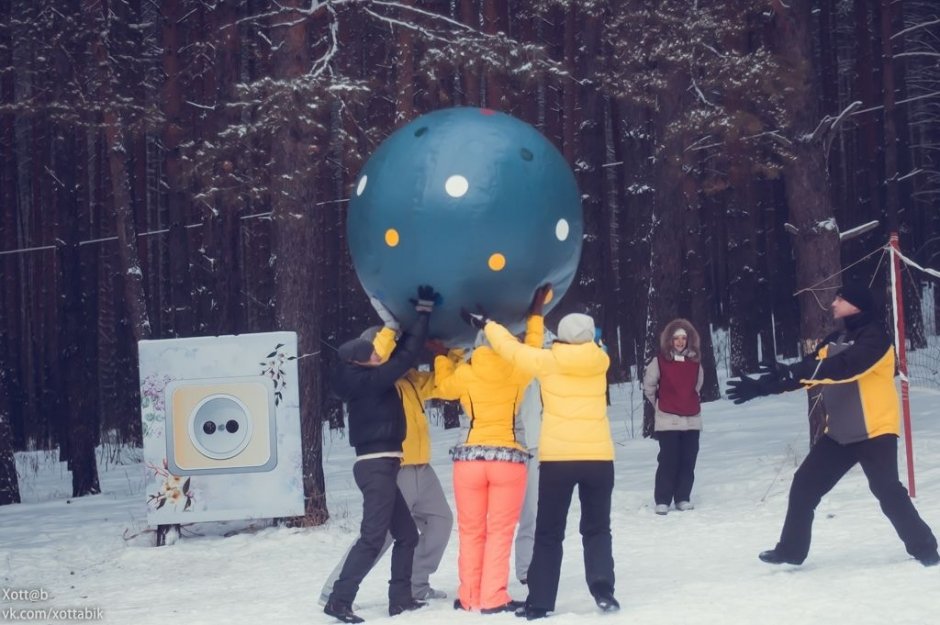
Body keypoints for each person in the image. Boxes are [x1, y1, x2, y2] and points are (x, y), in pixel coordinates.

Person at [727, 281, 939, 568]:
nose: (834, 303)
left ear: (857, 305)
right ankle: (791, 550)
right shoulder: (835, 339)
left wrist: (795, 369)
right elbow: (808, 372)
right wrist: (763, 387)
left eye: (840, 298)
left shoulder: (876, 340)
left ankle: (926, 550)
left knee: (887, 492)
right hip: (839, 434)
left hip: (875, 432)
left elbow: (845, 369)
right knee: (804, 486)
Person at [476, 309, 619, 620]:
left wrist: (488, 324)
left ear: (562, 336)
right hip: (599, 458)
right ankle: (603, 589)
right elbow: (598, 346)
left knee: (549, 532)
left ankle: (540, 601)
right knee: (597, 528)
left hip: (558, 459)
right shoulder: (600, 360)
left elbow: (511, 350)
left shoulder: (548, 361)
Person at [319, 298, 456, 607]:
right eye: (379, 351)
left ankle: (414, 587)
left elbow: (446, 387)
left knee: (439, 522)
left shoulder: (407, 380)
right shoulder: (371, 381)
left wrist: (449, 354)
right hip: (394, 468)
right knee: (380, 536)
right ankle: (333, 591)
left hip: (422, 468)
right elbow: (390, 357)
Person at [433, 285, 549, 614]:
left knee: (471, 530)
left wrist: (444, 355)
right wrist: (536, 310)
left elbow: (442, 387)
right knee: (500, 531)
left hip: (468, 459)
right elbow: (535, 348)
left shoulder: (466, 373)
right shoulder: (515, 370)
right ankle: (494, 596)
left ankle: (469, 595)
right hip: (507, 459)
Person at [643, 319, 704, 515]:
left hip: (692, 419)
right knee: (669, 460)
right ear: (669, 340)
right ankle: (662, 499)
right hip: (668, 420)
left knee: (688, 459)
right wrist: (661, 406)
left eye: (683, 338)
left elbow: (697, 386)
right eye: (676, 338)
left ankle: (682, 497)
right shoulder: (659, 361)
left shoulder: (695, 362)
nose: (680, 342)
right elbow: (649, 387)